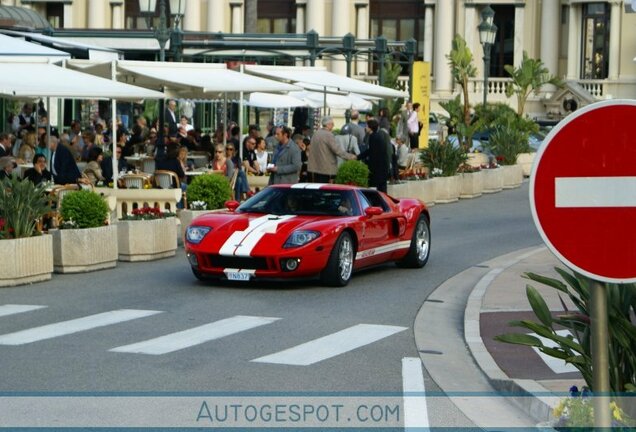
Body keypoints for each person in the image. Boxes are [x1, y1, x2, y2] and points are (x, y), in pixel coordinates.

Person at [307, 116, 356, 183]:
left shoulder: (316, 134)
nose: (333, 126)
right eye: (332, 124)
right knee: (325, 190)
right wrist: (350, 156)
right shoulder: (328, 135)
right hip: (325, 169)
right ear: (328, 125)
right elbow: (337, 150)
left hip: (314, 167)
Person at [357, 119, 389, 193]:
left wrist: (358, 157)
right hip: (382, 168)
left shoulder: (373, 137)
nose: (365, 128)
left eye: (366, 126)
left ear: (370, 127)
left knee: (377, 189)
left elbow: (372, 152)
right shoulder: (378, 136)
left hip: (377, 169)